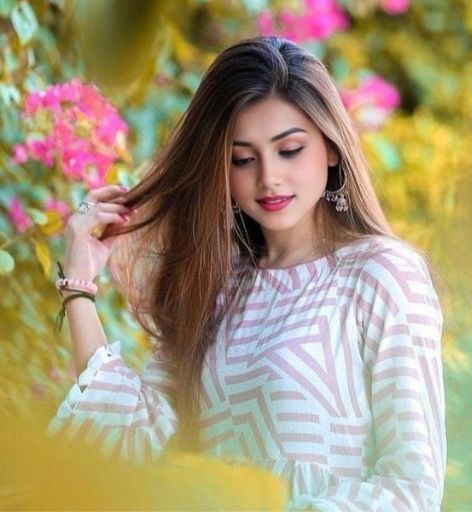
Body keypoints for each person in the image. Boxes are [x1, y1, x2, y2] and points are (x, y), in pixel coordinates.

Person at [49, 36, 446, 511]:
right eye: (243, 158)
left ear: (332, 150)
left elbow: (411, 486)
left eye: (290, 150)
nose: (268, 177)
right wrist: (79, 286)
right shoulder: (216, 286)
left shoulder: (382, 274)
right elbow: (143, 446)